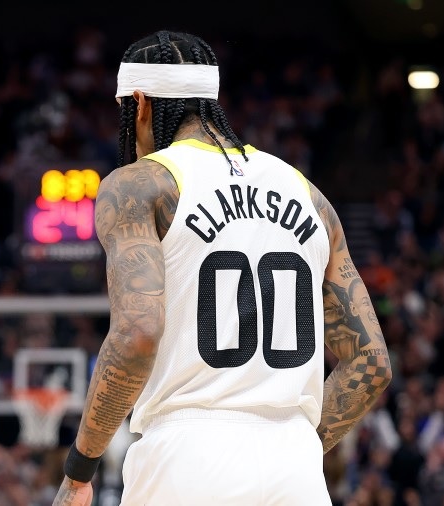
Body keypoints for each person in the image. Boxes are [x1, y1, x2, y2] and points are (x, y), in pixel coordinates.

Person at [54, 30, 393, 505]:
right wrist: (295, 449)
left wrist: (79, 470)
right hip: (294, 466)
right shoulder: (308, 194)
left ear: (140, 104)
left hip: (186, 456)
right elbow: (371, 362)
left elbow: (138, 333)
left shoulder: (140, 183)